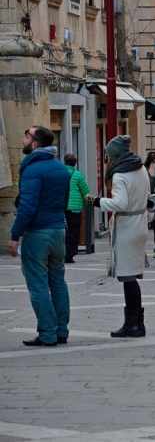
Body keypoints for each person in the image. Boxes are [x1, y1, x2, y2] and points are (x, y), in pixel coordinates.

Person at [8, 126, 71, 347]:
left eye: (26, 136)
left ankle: (47, 333)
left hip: (38, 232)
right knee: (58, 282)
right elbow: (64, 202)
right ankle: (61, 331)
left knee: (38, 286)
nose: (23, 139)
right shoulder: (60, 168)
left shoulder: (33, 170)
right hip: (58, 230)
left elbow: (27, 206)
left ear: (35, 144)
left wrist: (14, 235)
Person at [85, 135, 150, 337]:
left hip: (127, 227)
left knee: (128, 277)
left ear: (113, 156)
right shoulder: (140, 169)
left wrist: (95, 201)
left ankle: (134, 324)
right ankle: (136, 323)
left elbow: (120, 204)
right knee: (131, 276)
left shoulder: (120, 175)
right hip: (139, 224)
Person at [63, 153, 90, 264]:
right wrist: (85, 204)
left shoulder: (59, 173)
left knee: (62, 231)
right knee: (73, 232)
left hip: (61, 207)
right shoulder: (78, 175)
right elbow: (85, 192)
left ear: (64, 161)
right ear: (75, 163)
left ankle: (59, 253)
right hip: (75, 208)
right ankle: (69, 255)